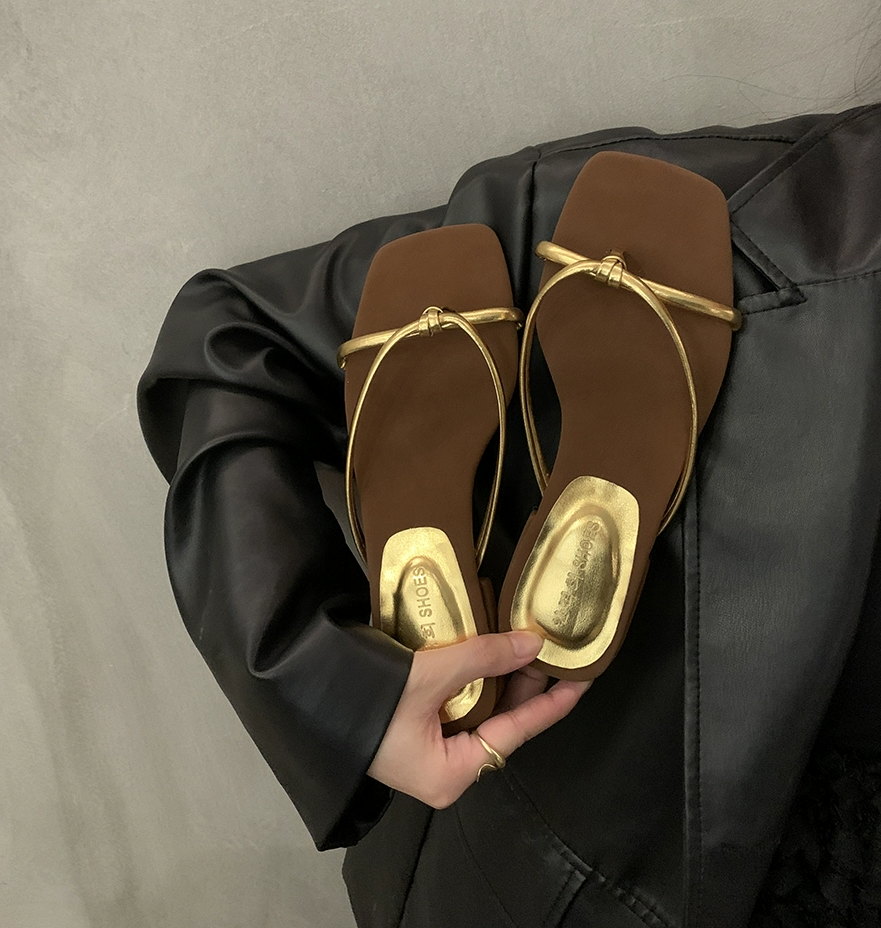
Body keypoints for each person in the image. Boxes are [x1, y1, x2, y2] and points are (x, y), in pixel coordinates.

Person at [138, 100, 881, 928]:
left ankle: (435, 568)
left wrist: (331, 697)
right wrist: (338, 694)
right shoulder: (769, 217)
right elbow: (229, 338)